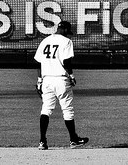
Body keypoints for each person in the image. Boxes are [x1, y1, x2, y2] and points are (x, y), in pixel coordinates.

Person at [34, 20, 89, 149]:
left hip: (46, 80)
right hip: (61, 79)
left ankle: (42, 141)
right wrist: (71, 75)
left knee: (46, 109)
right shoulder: (66, 41)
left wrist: (39, 81)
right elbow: (66, 61)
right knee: (67, 110)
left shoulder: (45, 41)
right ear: (64, 30)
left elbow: (38, 62)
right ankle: (73, 140)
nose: (68, 35)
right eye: (67, 32)